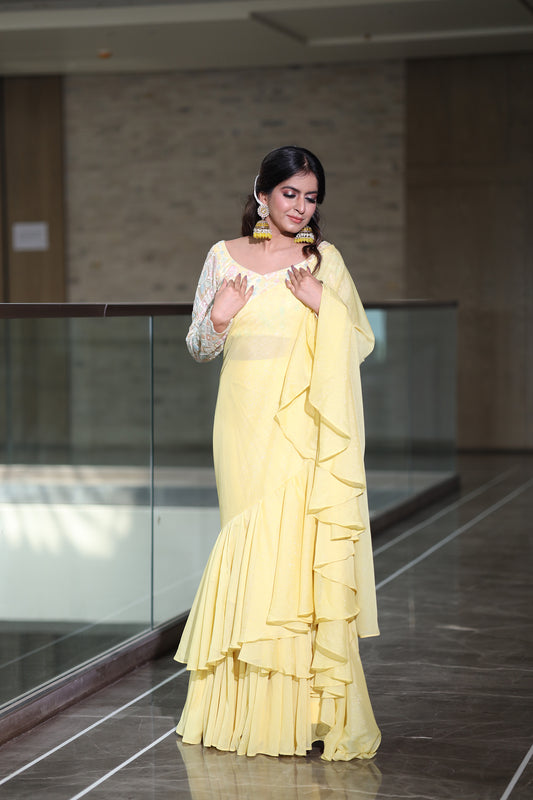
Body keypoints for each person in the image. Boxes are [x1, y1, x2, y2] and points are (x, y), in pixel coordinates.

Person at [175, 146, 381, 761]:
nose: (300, 206)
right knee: (249, 544)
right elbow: (197, 347)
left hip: (304, 430)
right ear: (262, 194)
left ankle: (305, 713)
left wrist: (325, 304)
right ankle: (239, 712)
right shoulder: (221, 257)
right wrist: (220, 313)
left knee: (297, 553)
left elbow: (360, 339)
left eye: (311, 196)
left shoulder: (325, 262)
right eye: (290, 193)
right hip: (241, 423)